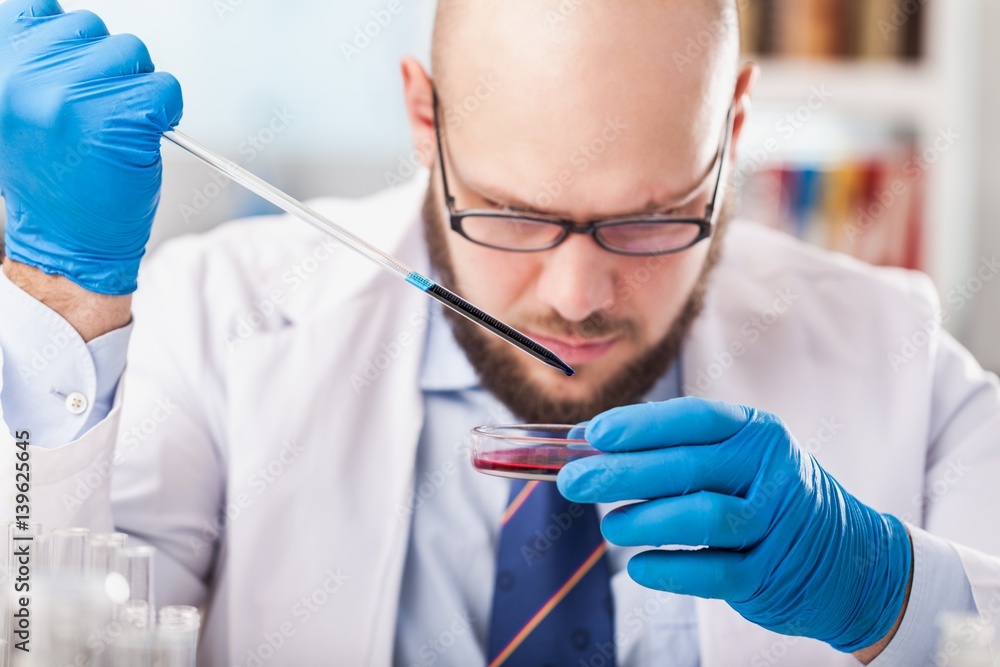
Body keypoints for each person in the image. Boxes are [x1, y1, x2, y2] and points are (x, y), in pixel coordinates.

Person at [0, 0, 997, 664]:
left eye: (648, 217)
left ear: (732, 130)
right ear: (424, 123)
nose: (575, 294)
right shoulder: (221, 318)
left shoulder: (895, 349)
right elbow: (49, 634)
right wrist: (62, 304)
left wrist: (894, 596)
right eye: (513, 214)